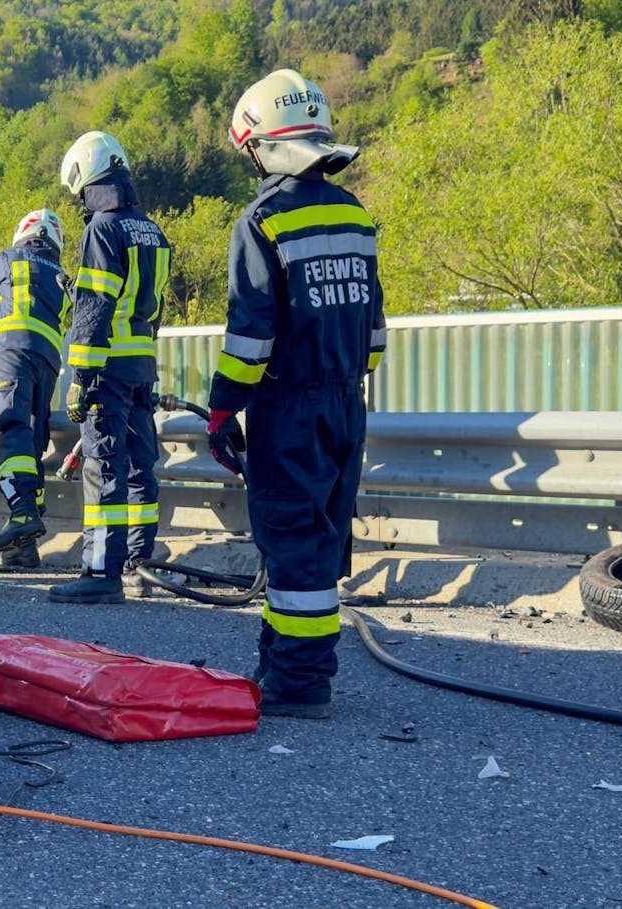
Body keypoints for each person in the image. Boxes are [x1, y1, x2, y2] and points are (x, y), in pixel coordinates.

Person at [207, 69, 386, 718]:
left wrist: (223, 410)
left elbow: (250, 338)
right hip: (346, 400)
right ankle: (281, 662)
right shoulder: (354, 214)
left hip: (288, 404)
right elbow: (374, 336)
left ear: (262, 145)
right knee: (319, 537)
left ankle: (301, 683)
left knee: (291, 537)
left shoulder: (263, 221)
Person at [49, 131, 170, 604]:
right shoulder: (152, 230)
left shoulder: (102, 229)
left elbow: (96, 307)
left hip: (106, 369)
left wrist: (80, 377)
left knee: (104, 466)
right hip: (141, 365)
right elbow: (149, 307)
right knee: (142, 465)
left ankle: (101, 571)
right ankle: (141, 561)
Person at [0, 210, 72, 569]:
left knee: (10, 430)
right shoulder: (63, 276)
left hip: (12, 352)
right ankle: (24, 546)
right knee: (34, 439)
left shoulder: (6, 258)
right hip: (49, 361)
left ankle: (22, 512)